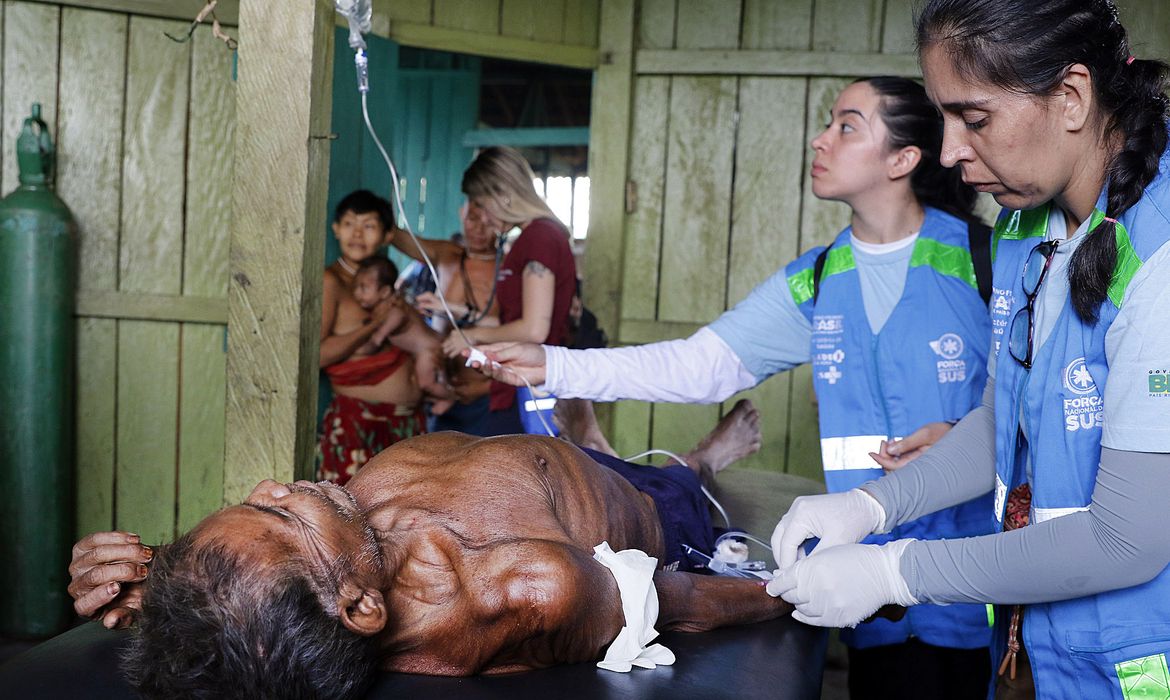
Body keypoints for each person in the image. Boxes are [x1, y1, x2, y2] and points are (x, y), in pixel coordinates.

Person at [472, 77, 996, 698]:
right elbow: (700, 365)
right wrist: (556, 366)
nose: (820, 138)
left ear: (903, 159)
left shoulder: (982, 261)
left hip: (970, 583)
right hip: (862, 588)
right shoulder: (821, 277)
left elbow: (1032, 412)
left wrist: (962, 437)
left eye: (846, 126)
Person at [761, 2, 1170, 699]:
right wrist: (871, 507)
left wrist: (897, 573)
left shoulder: (1159, 253)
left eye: (974, 119)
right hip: (1063, 650)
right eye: (942, 118)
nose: (949, 152)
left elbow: (1127, 540)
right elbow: (1002, 420)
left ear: (1070, 98)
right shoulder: (1022, 225)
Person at [66, 405, 786, 699]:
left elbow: (258, 581)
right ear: (361, 605)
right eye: (282, 516)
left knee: (578, 451)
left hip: (518, 459)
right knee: (676, 482)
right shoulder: (529, 583)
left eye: (261, 502)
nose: (273, 484)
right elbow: (683, 601)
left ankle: (589, 443)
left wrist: (169, 580)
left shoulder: (315, 578)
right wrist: (812, 587)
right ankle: (700, 460)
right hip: (645, 511)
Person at [443, 147, 577, 436]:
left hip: (529, 387)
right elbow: (515, 318)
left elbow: (533, 330)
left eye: (482, 205)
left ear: (503, 195)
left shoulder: (539, 237)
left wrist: (473, 335)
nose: (485, 219)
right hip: (516, 383)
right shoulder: (531, 237)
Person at [318, 190, 426, 485]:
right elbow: (319, 355)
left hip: (404, 422)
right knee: (351, 517)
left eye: (368, 226)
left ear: (387, 234)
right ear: (336, 229)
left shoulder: (387, 282)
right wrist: (372, 326)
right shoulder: (333, 282)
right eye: (350, 223)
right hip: (360, 423)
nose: (357, 234)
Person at [387, 204, 502, 435]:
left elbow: (524, 334)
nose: (479, 229)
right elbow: (393, 235)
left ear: (503, 223)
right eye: (472, 218)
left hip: (486, 396)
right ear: (461, 214)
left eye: (489, 222)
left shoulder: (508, 269)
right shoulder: (447, 255)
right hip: (442, 391)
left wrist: (486, 388)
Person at [351, 257, 454, 417]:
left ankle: (450, 398)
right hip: (425, 348)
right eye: (355, 287)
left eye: (364, 288)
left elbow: (376, 340)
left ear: (384, 291)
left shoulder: (394, 310)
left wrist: (356, 349)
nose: (357, 293)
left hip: (428, 349)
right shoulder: (386, 306)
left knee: (426, 383)